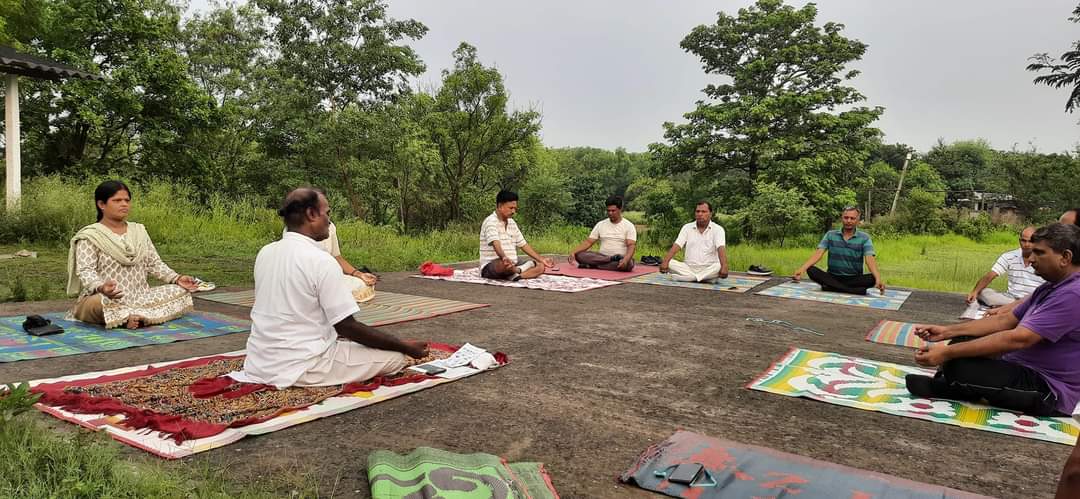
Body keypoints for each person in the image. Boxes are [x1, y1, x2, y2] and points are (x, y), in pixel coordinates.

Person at [231, 188, 427, 389]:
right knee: (396, 358)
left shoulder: (266, 252)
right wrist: (404, 346)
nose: (330, 221)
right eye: (328, 213)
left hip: (258, 362)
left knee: (350, 346)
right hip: (304, 365)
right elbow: (347, 327)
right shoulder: (321, 261)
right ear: (311, 214)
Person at [905, 223, 1080, 417]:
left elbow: (1018, 338)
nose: (1030, 259)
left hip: (1047, 390)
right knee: (962, 342)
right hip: (1019, 366)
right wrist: (947, 331)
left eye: (1039, 253)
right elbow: (1004, 321)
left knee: (959, 363)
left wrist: (946, 353)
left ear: (1065, 257)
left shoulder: (1074, 294)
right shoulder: (1050, 287)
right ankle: (957, 384)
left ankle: (952, 386)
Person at [66, 180, 197, 329]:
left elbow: (154, 263)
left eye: (127, 200)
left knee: (179, 291)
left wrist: (177, 278)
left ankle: (131, 316)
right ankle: (139, 315)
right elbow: (85, 271)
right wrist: (101, 287)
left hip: (140, 296)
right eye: (117, 200)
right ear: (101, 204)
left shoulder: (139, 231)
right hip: (107, 297)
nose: (124, 204)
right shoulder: (90, 236)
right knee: (98, 303)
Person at [791, 206, 884, 295]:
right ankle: (851, 290)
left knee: (872, 278)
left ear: (857, 220)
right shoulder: (830, 235)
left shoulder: (865, 237)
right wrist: (802, 269)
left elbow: (869, 259)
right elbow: (818, 253)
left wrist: (878, 278)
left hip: (854, 278)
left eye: (852, 218)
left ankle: (831, 287)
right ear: (841, 218)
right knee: (811, 270)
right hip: (832, 276)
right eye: (846, 217)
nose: (849, 221)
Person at [286, 220, 377, 302]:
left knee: (361, 284)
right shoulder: (294, 229)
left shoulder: (330, 226)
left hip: (329, 278)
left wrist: (360, 274)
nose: (327, 216)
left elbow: (337, 257)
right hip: (305, 280)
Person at [479, 190, 554, 280]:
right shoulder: (490, 221)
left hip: (513, 263)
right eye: (510, 208)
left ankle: (517, 275)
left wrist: (542, 259)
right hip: (494, 264)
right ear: (500, 206)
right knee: (504, 266)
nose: (513, 211)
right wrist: (504, 258)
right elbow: (496, 244)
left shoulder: (512, 223)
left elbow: (523, 244)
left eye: (515, 208)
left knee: (540, 266)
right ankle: (518, 270)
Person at [964, 226, 1043, 308]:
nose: (1026, 244)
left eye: (1030, 241)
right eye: (1024, 241)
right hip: (1012, 298)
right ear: (1019, 241)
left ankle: (1013, 307)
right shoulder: (1009, 256)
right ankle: (1015, 306)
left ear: (1037, 242)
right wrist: (975, 292)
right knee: (983, 292)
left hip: (1033, 300)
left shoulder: (1043, 259)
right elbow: (991, 275)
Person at [659, 201, 729, 282]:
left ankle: (690, 278)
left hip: (709, 267)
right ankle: (703, 278)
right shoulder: (687, 227)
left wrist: (724, 266)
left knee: (719, 266)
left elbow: (721, 248)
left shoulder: (718, 229)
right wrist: (665, 261)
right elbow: (677, 245)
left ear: (710, 214)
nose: (700, 214)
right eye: (698, 211)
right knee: (670, 262)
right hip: (688, 267)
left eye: (703, 211)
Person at [569, 195, 637, 271]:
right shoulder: (601, 224)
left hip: (620, 258)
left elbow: (631, 245)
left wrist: (626, 259)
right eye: (608, 211)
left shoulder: (629, 226)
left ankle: (594, 266)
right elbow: (589, 242)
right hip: (602, 257)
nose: (610, 213)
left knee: (628, 264)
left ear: (620, 209)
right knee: (580, 255)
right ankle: (609, 260)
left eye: (613, 211)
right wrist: (573, 252)